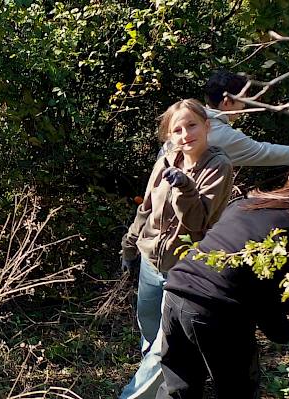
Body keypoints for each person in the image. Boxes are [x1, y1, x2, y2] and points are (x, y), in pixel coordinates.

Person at [157, 151, 289, 398]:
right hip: (217, 310)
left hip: (177, 290)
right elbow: (275, 296)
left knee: (178, 387)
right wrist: (283, 332)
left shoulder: (246, 204)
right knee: (238, 391)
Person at [119, 99, 234, 399]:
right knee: (149, 329)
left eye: (192, 125)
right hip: (150, 262)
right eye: (177, 129)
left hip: (183, 270)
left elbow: (197, 222)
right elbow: (146, 208)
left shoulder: (218, 166)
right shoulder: (167, 159)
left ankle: (133, 395)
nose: (185, 134)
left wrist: (185, 187)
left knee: (163, 344)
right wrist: (129, 246)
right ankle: (160, 385)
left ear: (207, 126)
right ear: (170, 136)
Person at [161, 70, 289, 165]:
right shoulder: (219, 133)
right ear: (227, 102)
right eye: (242, 100)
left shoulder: (186, 121)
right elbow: (271, 153)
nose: (244, 106)